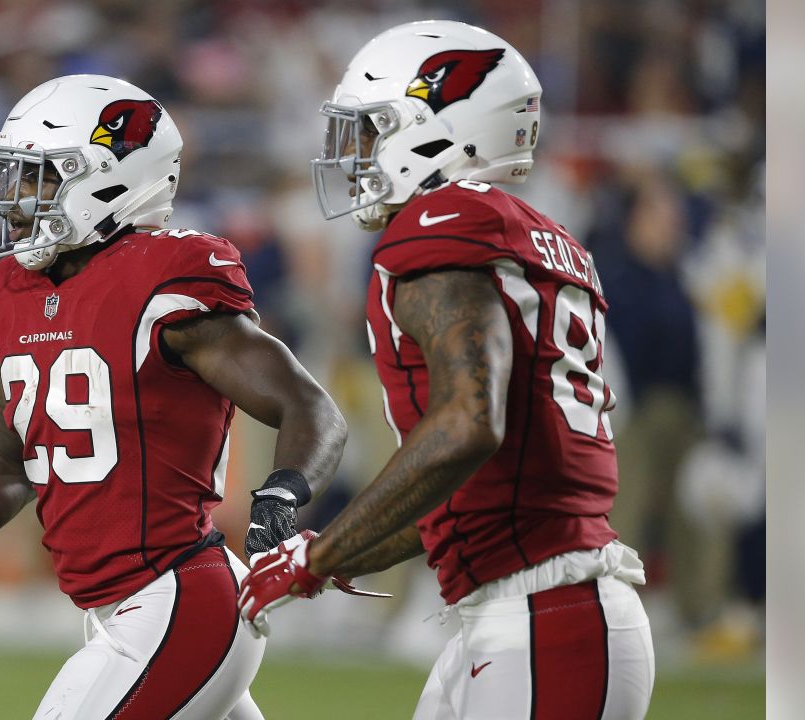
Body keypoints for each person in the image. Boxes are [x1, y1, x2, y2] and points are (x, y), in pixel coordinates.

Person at [0, 75, 348, 720]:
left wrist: (282, 494)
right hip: (122, 611)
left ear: (110, 179)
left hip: (176, 595)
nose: (11, 201)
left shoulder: (163, 278)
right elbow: (12, 461)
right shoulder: (11, 296)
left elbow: (311, 408)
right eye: (10, 178)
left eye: (34, 178)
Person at [238, 21, 655, 719]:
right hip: (531, 608)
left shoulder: (443, 225)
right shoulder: (536, 234)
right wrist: (331, 554)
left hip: (543, 617)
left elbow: (468, 424)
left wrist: (315, 559)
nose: (358, 154)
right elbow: (460, 494)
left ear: (439, 130)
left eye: (374, 130)